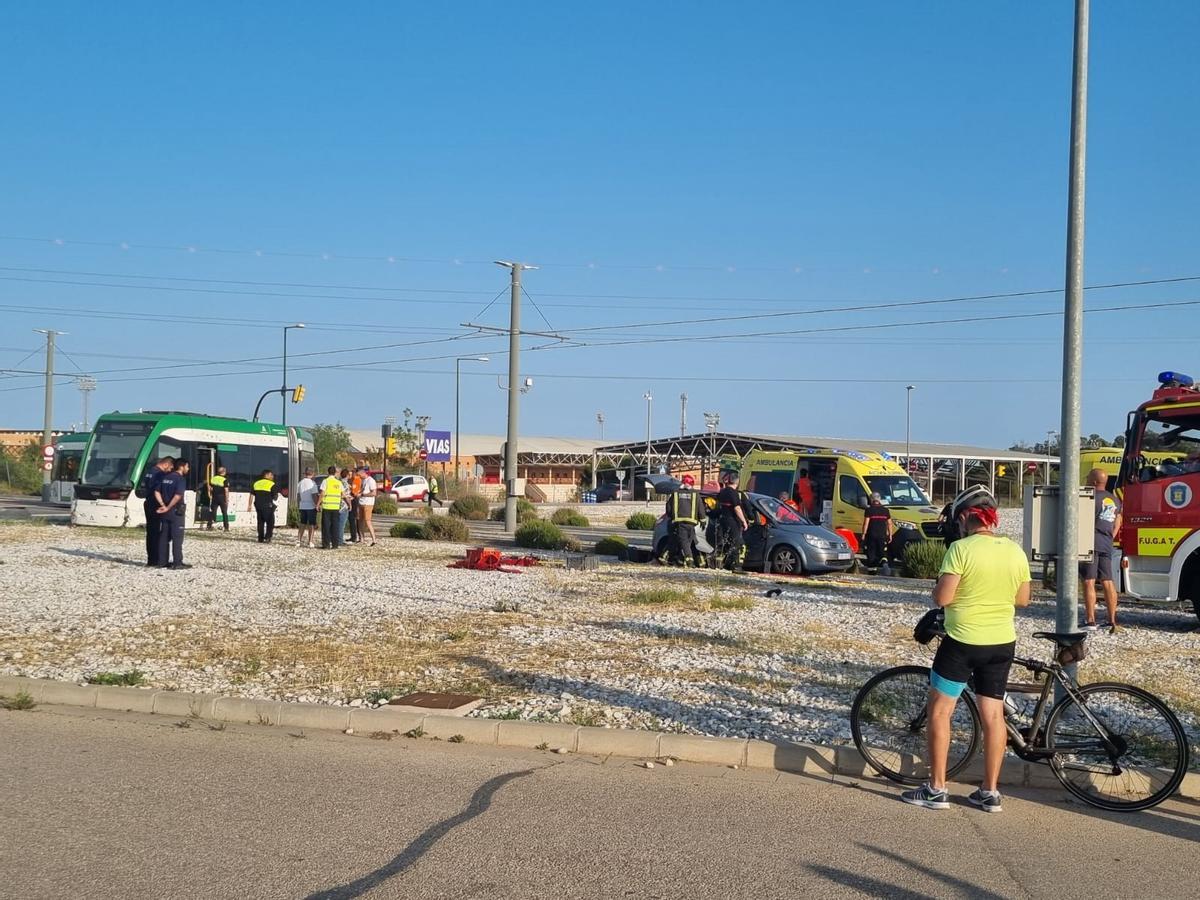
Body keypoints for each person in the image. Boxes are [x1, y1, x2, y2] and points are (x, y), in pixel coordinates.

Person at [901, 486, 1031, 813]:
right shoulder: (1015, 551)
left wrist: (945, 591)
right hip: (1001, 642)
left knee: (940, 711)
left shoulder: (960, 549)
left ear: (963, 518)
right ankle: (989, 793)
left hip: (963, 642)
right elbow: (1023, 599)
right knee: (993, 716)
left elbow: (943, 598)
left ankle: (937, 788)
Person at [1080, 467, 1122, 633]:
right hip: (1106, 542)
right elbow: (1118, 519)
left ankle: (1090, 620)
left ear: (1095, 481)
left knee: (1088, 580)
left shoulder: (1088, 497)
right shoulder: (1114, 499)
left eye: (1089, 477)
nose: (1087, 479)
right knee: (1107, 580)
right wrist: (1111, 535)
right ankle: (1111, 620)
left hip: (1090, 541)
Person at [154, 458, 190, 569]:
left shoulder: (166, 477)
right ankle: (177, 563)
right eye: (187, 466)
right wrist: (168, 507)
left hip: (165, 513)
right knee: (177, 538)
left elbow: (156, 491)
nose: (188, 469)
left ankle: (162, 562)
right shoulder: (180, 479)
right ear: (182, 466)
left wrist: (163, 505)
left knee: (164, 537)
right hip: (176, 512)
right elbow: (178, 495)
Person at [665, 474, 705, 566]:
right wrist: (703, 520)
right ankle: (685, 560)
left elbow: (669, 507)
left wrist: (671, 516)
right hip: (692, 523)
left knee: (684, 542)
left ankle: (688, 561)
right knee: (688, 542)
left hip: (680, 522)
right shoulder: (695, 494)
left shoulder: (675, 493)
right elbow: (700, 508)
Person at [139, 457, 172, 566]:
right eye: (170, 467)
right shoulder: (160, 474)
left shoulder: (149, 471)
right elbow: (160, 490)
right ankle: (159, 559)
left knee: (150, 532)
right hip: (156, 505)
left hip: (148, 502)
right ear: (166, 464)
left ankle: (151, 559)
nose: (170, 470)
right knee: (159, 532)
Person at [715, 471, 748, 571]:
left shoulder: (722, 492)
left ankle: (719, 565)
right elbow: (737, 508)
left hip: (722, 521)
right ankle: (736, 566)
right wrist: (744, 521)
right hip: (732, 521)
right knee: (739, 544)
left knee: (725, 544)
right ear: (737, 482)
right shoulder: (733, 493)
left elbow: (718, 506)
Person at [862, 492, 892, 568]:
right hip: (882, 535)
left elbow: (866, 523)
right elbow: (889, 523)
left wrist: (863, 534)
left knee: (872, 552)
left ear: (871, 499)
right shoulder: (886, 510)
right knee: (882, 551)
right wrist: (890, 535)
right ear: (879, 499)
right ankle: (884, 563)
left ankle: (872, 569)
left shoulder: (869, 510)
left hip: (871, 535)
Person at [251, 469, 280, 543]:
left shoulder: (256, 483)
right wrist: (276, 496)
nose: (272, 476)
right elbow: (275, 497)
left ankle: (260, 538)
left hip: (258, 505)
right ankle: (268, 537)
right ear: (266, 475)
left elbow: (251, 494)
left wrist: (249, 505)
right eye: (271, 475)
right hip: (268, 506)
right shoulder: (271, 484)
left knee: (260, 522)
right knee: (270, 522)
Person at [318, 466, 344, 549]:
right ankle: (335, 544)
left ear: (328, 472)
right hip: (336, 507)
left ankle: (326, 545)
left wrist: (318, 504)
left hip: (327, 506)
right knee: (335, 526)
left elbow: (322, 493)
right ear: (335, 472)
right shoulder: (339, 483)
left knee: (326, 526)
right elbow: (343, 494)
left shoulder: (325, 481)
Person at [295, 467, 318, 548]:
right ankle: (310, 541)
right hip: (311, 506)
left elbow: (298, 496)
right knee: (311, 524)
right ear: (312, 474)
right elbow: (314, 495)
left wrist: (298, 505)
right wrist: (317, 505)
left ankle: (298, 541)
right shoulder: (313, 483)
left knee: (302, 523)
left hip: (302, 505)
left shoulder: (300, 483)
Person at [357, 465, 378, 547]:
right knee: (360, 521)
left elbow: (374, 493)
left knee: (367, 521)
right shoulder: (363, 480)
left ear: (363, 472)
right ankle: (362, 538)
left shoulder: (371, 481)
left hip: (368, 503)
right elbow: (362, 490)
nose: (358, 475)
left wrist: (363, 494)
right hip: (361, 502)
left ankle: (374, 539)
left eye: (358, 473)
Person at [206, 465, 230, 531]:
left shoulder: (213, 478)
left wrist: (210, 494)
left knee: (213, 511)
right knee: (224, 512)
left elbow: (210, 488)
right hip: (222, 497)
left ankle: (209, 525)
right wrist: (227, 499)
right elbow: (226, 490)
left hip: (214, 497)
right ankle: (226, 527)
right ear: (224, 472)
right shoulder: (225, 480)